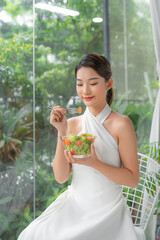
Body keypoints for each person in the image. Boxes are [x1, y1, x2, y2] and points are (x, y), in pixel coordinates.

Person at [18, 53, 142, 240]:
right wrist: (62, 130)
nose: (85, 91)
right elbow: (61, 177)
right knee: (32, 234)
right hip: (75, 206)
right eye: (79, 84)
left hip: (108, 211)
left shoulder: (121, 124)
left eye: (93, 83)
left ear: (108, 84)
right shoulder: (73, 124)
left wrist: (94, 163)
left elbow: (132, 180)